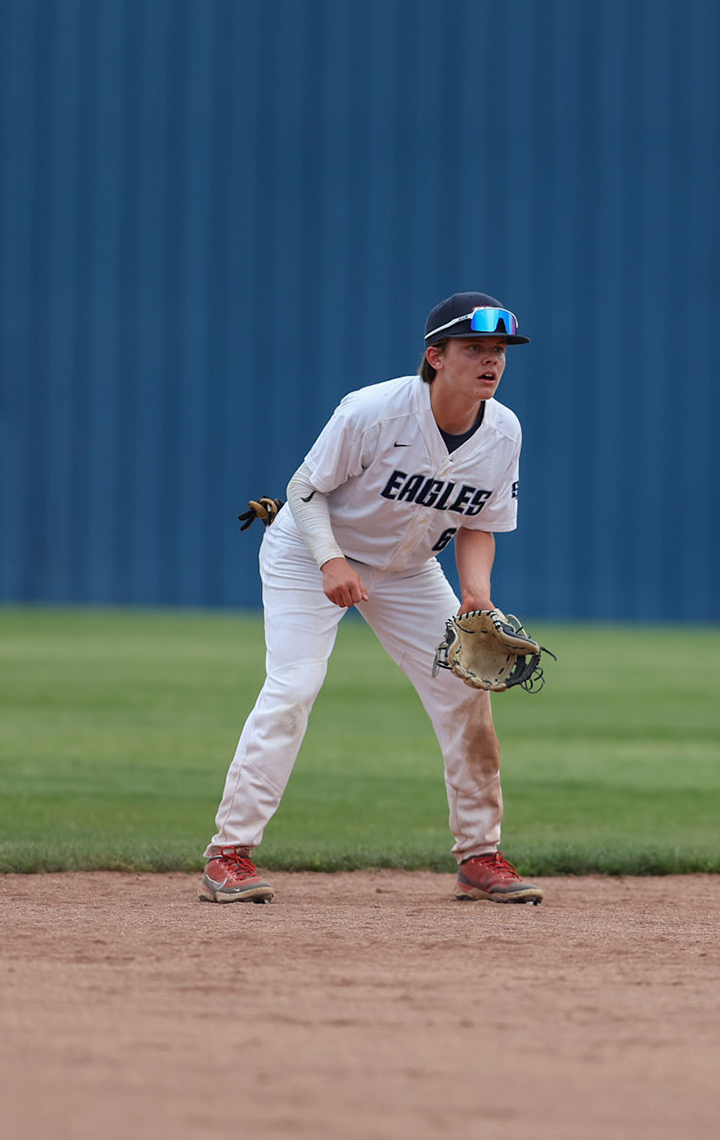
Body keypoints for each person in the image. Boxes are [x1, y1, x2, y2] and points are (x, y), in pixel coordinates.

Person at [201, 293, 543, 906]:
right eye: (474, 349)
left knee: (465, 695)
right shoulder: (375, 411)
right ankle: (229, 853)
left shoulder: (503, 431)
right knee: (294, 687)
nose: (491, 361)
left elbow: (479, 522)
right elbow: (305, 489)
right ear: (436, 357)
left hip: (408, 570)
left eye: (498, 351)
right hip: (309, 553)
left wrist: (476, 596)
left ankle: (479, 856)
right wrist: (330, 560)